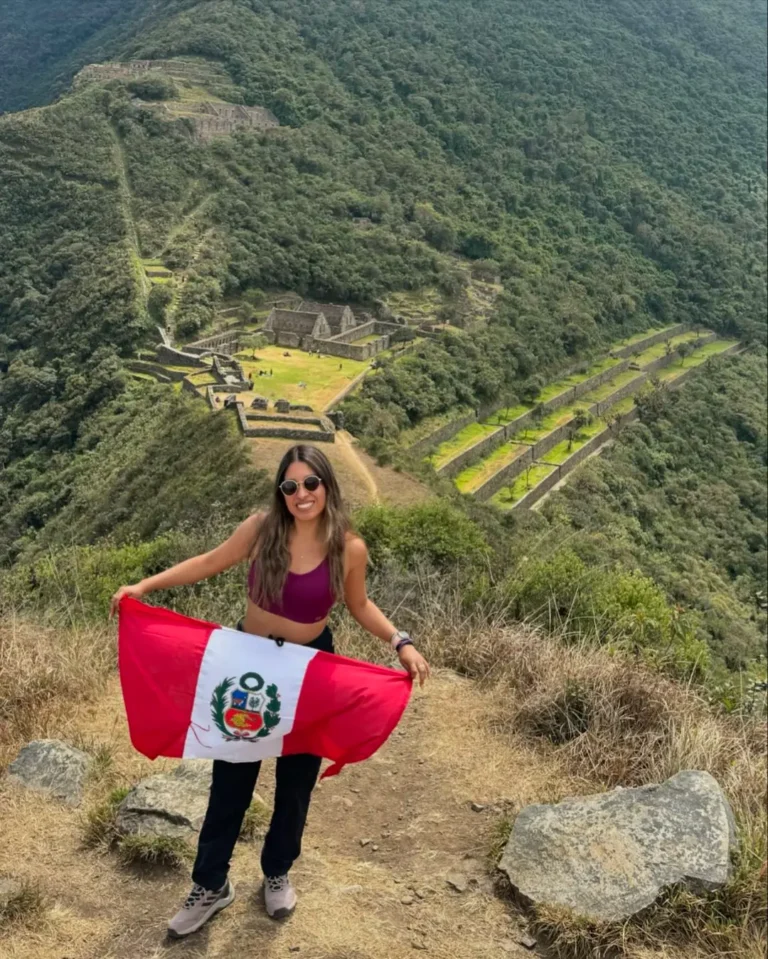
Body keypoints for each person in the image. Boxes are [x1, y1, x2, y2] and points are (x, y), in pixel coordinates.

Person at [109, 444, 429, 939]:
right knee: (230, 783)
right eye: (290, 486)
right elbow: (209, 562)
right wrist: (143, 587)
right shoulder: (261, 530)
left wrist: (399, 640)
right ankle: (210, 885)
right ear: (280, 492)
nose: (301, 494)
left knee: (296, 783)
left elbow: (360, 604)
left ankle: (277, 872)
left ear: (327, 485)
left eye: (310, 484)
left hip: (307, 671)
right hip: (247, 667)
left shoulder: (349, 547)